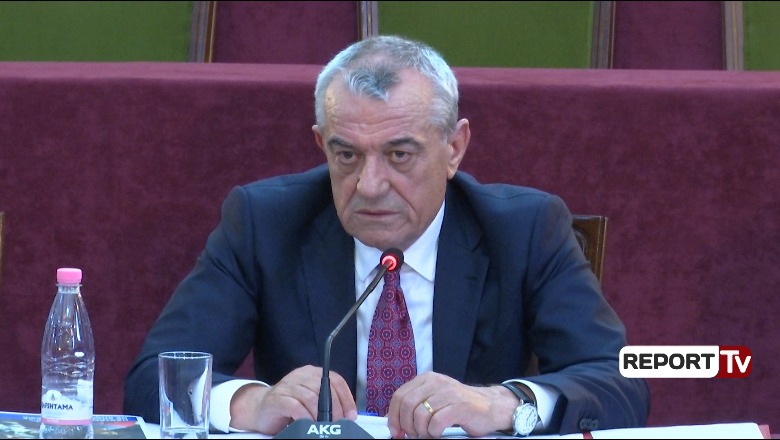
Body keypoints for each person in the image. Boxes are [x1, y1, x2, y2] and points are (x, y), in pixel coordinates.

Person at [124, 35, 649, 438]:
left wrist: (504, 404)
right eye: (347, 155)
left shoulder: (525, 229)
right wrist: (251, 403)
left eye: (399, 155)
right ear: (321, 145)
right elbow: (155, 378)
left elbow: (620, 380)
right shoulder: (265, 222)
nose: (369, 185)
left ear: (454, 148)